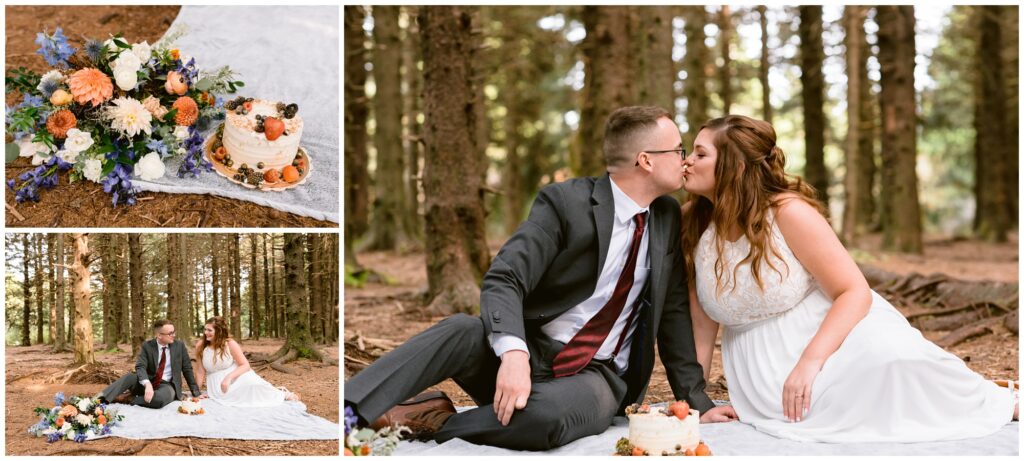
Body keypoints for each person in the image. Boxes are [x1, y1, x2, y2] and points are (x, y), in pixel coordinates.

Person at [345, 106, 736, 451]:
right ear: (646, 160)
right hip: (528, 357)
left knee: (546, 419)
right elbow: (505, 278)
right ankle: (348, 414)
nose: (685, 160)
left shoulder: (666, 216)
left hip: (595, 378)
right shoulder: (566, 202)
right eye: (679, 149)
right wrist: (513, 354)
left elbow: (672, 315)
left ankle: (431, 422)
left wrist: (698, 402)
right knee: (459, 329)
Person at [680, 114, 1017, 442]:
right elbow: (701, 324)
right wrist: (694, 402)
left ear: (736, 167)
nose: (687, 161)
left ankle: (997, 402)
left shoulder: (788, 213)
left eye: (700, 153)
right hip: (762, 376)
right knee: (840, 412)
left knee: (894, 363)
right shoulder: (692, 224)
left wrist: (809, 364)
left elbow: (854, 291)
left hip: (832, 339)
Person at [195, 316, 300, 406]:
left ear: (219, 331)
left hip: (235, 376)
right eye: (205, 329)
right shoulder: (201, 345)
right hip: (216, 384)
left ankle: (281, 393)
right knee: (237, 398)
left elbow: (245, 365)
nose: (205, 333)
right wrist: (196, 392)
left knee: (253, 385)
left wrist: (228, 378)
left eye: (209, 330)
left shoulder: (230, 344)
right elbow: (200, 371)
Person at [99, 319, 202, 408]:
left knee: (159, 399)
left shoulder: (179, 346)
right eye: (170, 333)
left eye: (174, 332)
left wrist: (196, 393)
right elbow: (140, 366)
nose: (174, 335)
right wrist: (147, 384)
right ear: (159, 335)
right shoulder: (147, 346)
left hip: (167, 386)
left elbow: (187, 369)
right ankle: (98, 400)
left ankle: (128, 398)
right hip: (147, 382)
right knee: (129, 377)